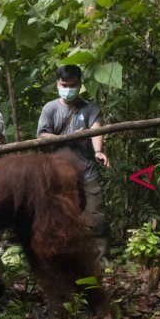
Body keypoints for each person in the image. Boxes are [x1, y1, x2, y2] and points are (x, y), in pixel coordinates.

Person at [37, 64, 111, 262]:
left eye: (73, 85)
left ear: (80, 84)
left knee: (95, 217)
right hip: (60, 174)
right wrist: (69, 137)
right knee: (63, 218)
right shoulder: (50, 108)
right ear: (57, 84)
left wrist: (98, 151)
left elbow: (96, 129)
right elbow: (42, 135)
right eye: (64, 84)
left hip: (87, 172)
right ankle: (68, 260)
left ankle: (100, 259)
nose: (68, 88)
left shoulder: (89, 108)